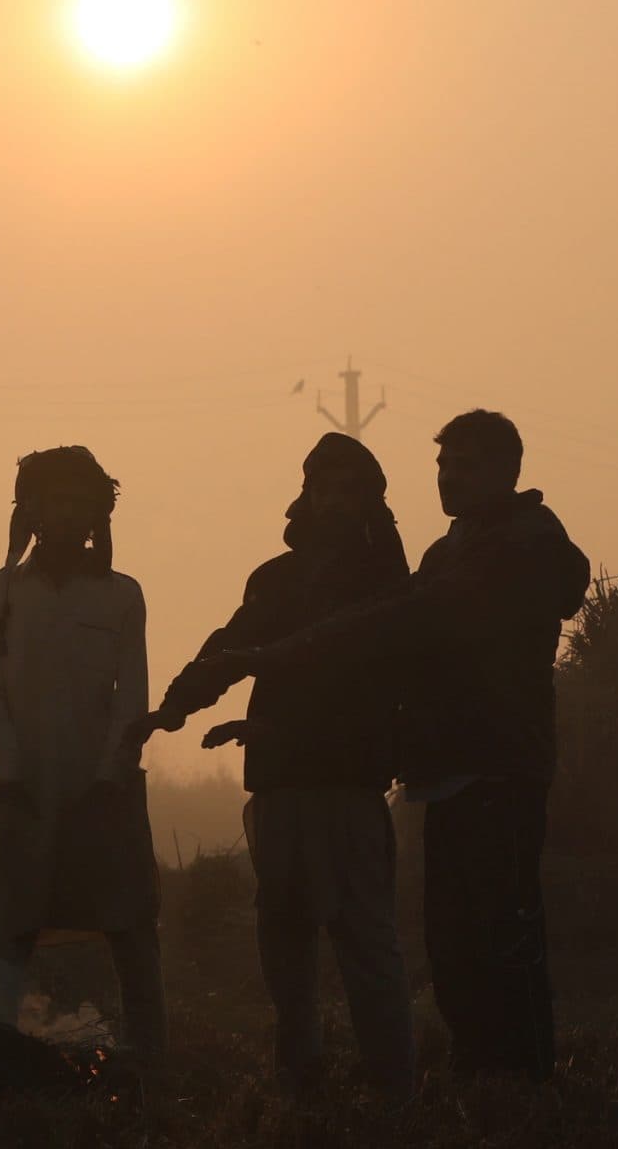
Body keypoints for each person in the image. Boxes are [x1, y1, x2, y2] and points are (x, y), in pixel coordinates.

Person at [165, 410, 588, 1081]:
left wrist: (285, 654)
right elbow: (396, 649)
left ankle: (522, 1086)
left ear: (509, 473)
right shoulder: (441, 552)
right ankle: (480, 1083)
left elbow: (399, 626)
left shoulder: (523, 544)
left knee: (494, 938)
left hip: (498, 768)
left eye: (468, 466)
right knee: (450, 945)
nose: (451, 478)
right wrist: (194, 703)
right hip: (441, 770)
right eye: (444, 465)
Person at [134, 432, 416, 1095]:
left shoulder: (389, 586)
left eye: (354, 489)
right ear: (308, 497)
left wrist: (254, 690)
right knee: (287, 959)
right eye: (327, 488)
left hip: (349, 784)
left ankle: (394, 1094)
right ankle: (301, 1087)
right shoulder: (278, 579)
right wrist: (173, 707)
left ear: (374, 501)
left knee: (368, 951)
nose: (339, 501)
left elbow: (343, 661)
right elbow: (232, 643)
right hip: (281, 784)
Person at [0, 445, 164, 1057]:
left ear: (97, 513)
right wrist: (8, 771)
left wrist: (109, 779)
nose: (63, 512)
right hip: (22, 788)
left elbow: (132, 696)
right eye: (49, 499)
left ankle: (149, 1065)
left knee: (130, 929)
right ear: (26, 510)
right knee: (7, 927)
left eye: (77, 499)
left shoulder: (121, 595)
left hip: (103, 790)